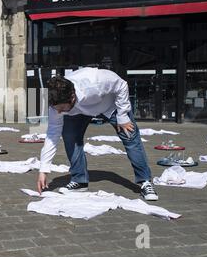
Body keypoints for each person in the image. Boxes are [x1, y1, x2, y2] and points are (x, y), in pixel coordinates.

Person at [36, 67, 158, 201]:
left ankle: (145, 181)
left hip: (111, 105)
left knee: (130, 136)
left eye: (62, 109)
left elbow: (121, 84)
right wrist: (43, 169)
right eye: (56, 109)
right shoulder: (56, 105)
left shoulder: (96, 82)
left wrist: (123, 115)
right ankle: (79, 181)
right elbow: (52, 135)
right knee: (70, 137)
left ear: (72, 97)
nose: (58, 113)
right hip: (77, 112)